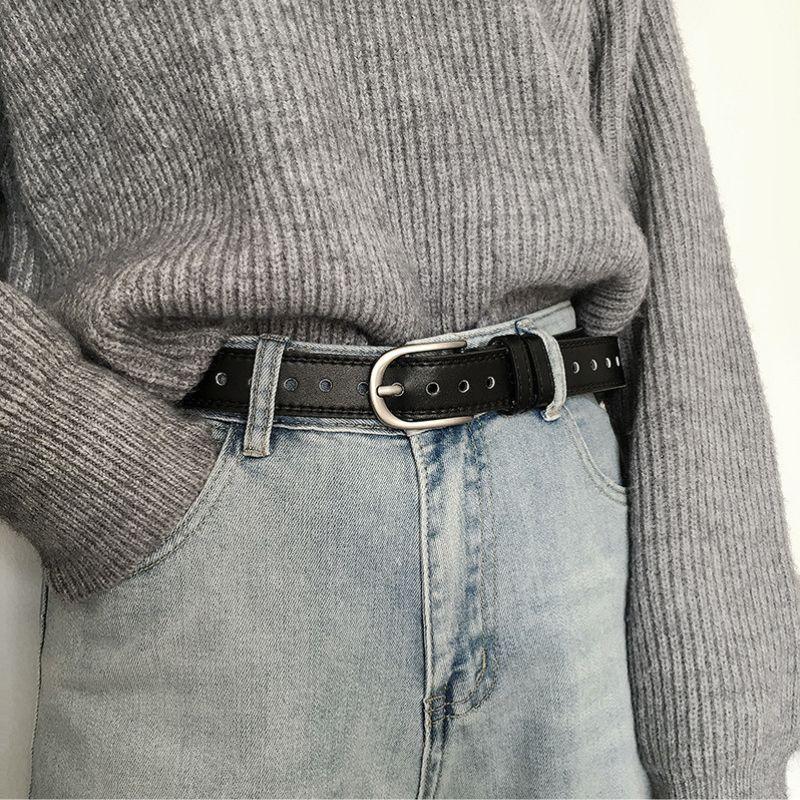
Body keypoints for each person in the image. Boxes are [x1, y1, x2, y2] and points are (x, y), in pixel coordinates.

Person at [1, 0, 797, 797]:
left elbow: (663, 206)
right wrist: (94, 468)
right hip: (221, 564)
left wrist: (723, 727)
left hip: (563, 547)